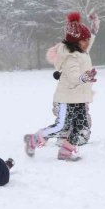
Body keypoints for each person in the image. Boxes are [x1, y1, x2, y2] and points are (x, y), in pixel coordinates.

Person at [24, 12, 98, 161]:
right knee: (61, 126)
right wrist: (85, 77)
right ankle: (33, 139)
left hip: (80, 98)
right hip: (67, 98)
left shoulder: (82, 51)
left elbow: (91, 38)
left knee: (80, 125)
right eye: (85, 40)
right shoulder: (71, 57)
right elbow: (72, 78)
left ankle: (66, 151)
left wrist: (94, 26)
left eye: (88, 39)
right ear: (77, 42)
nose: (88, 42)